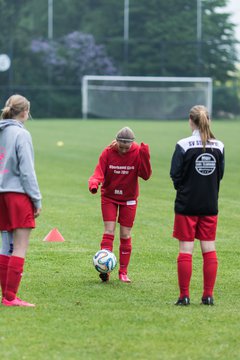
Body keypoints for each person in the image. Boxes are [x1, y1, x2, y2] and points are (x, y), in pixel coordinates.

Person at [170, 105, 224, 306]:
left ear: (190, 121)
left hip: (187, 204)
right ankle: (208, 296)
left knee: (186, 249)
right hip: (210, 204)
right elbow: (220, 174)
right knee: (208, 248)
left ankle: (184, 296)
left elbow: (175, 174)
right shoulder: (219, 146)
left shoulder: (183, 144)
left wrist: (184, 189)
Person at [89, 127, 152, 283]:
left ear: (132, 143)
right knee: (109, 231)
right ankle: (105, 269)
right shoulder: (108, 152)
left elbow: (145, 175)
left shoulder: (137, 152)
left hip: (129, 199)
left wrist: (145, 155)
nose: (123, 150)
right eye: (120, 146)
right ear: (116, 141)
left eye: (126, 147)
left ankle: (123, 272)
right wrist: (94, 183)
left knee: (125, 234)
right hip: (109, 197)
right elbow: (98, 172)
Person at [0, 94, 42, 307]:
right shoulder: (21, 134)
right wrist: (37, 199)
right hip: (17, 195)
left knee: (4, 246)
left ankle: (6, 296)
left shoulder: (2, 130)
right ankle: (10, 297)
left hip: (1, 194)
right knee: (19, 247)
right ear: (25, 112)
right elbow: (27, 171)